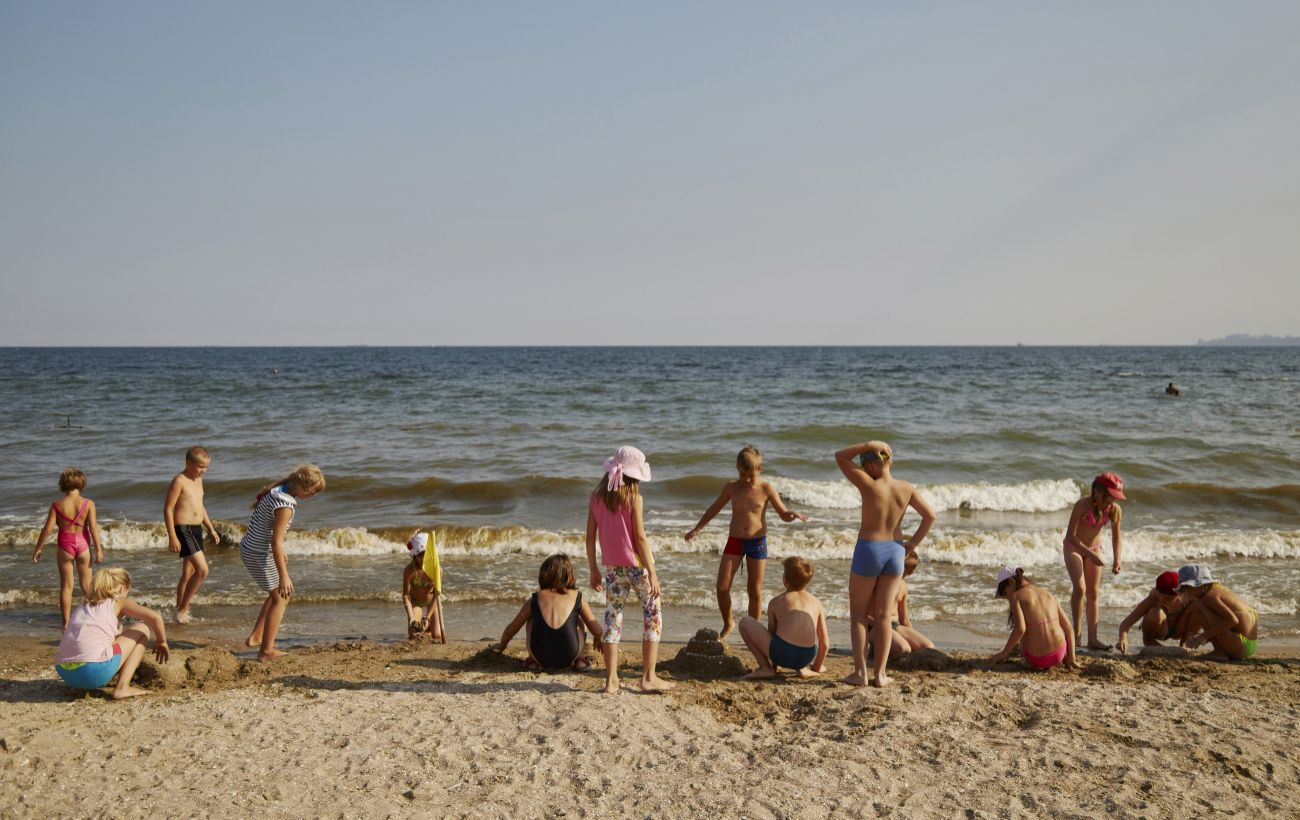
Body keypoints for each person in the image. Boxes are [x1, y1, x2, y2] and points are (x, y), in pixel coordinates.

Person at [834, 441, 936, 688]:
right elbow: (930, 516)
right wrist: (912, 543)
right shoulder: (906, 488)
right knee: (882, 616)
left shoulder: (868, 484)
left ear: (869, 464)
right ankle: (880, 674)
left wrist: (867, 444)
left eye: (865, 465)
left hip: (869, 548)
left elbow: (840, 456)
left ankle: (860, 673)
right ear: (890, 461)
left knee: (858, 615)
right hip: (895, 551)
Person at [684, 446, 808, 641]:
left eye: (751, 475)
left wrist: (791, 515)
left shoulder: (766, 489)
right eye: (743, 474)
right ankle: (728, 623)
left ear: (760, 469)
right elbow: (714, 508)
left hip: (757, 542)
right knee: (722, 586)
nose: (747, 479)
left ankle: (753, 630)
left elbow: (783, 514)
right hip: (735, 541)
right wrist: (697, 529)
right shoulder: (732, 488)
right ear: (737, 468)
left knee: (754, 589)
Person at [585, 446, 675, 694]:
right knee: (652, 616)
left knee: (612, 620)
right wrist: (653, 572)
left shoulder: (596, 498)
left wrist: (593, 569)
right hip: (637, 568)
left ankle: (611, 680)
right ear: (635, 477)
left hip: (613, 569)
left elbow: (590, 537)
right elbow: (641, 539)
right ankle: (648, 677)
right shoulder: (635, 499)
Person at [239, 464, 325, 660]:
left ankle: (257, 637)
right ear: (302, 488)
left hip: (252, 546)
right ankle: (266, 651)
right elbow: (276, 542)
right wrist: (284, 575)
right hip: (257, 552)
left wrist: (280, 552)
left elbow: (267, 530)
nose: (313, 496)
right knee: (282, 596)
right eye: (313, 492)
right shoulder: (285, 505)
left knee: (275, 594)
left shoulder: (278, 490)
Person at [53, 567, 169, 699]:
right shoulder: (119, 601)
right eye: (128, 592)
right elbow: (155, 617)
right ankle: (122, 687)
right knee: (142, 628)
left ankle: (79, 686)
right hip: (92, 672)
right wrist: (162, 641)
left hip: (66, 672)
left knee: (105, 642)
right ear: (122, 589)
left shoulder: (84, 604)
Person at [491, 554, 604, 671]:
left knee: (531, 619)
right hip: (569, 655)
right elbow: (598, 630)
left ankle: (533, 661)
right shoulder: (577, 596)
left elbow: (511, 629)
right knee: (580, 621)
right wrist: (597, 638)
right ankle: (580, 659)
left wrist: (502, 645)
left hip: (540, 657)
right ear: (569, 575)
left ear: (544, 574)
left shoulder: (535, 598)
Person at [31, 468, 105, 628]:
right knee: (87, 586)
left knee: (66, 586)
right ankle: (98, 618)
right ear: (82, 483)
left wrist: (38, 548)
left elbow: (48, 529)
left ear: (63, 484)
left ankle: (66, 623)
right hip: (83, 545)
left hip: (65, 546)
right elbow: (93, 528)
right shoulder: (88, 503)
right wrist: (98, 549)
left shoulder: (57, 505)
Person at [1062, 472, 1126, 651]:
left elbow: (1116, 539)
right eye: (1110, 497)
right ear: (1097, 492)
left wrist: (1117, 560)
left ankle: (1093, 639)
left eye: (1115, 498)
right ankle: (1076, 635)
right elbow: (1070, 536)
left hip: (1094, 550)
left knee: (1093, 593)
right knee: (1080, 588)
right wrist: (1089, 555)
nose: (1112, 501)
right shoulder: (1082, 505)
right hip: (1074, 547)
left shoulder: (1114, 510)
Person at [737, 556, 829, 680]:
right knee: (798, 641)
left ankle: (765, 668)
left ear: (785, 580)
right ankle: (802, 669)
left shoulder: (776, 602)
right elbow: (824, 643)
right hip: (806, 657)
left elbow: (772, 635)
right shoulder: (817, 602)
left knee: (744, 622)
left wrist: (774, 665)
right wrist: (816, 668)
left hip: (782, 653)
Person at [164, 446, 221, 624]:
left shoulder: (198, 480)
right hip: (183, 529)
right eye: (200, 467)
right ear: (188, 463)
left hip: (197, 529)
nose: (203, 471)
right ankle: (183, 610)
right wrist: (172, 536)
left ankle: (178, 609)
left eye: (206, 467)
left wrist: (210, 528)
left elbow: (200, 506)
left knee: (188, 573)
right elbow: (168, 509)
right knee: (202, 570)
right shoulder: (179, 480)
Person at [989, 567, 1077, 671]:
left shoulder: (1016, 597)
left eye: (1005, 593)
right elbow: (1068, 627)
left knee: (1022, 634)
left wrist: (1003, 653)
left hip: (1037, 659)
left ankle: (1020, 653)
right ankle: (1068, 657)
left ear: (1011, 581)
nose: (1007, 597)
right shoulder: (1047, 593)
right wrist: (1072, 657)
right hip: (1059, 654)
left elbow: (1020, 629)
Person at [1177, 564, 1260, 660]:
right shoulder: (1216, 590)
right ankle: (1219, 651)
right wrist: (1205, 637)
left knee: (1199, 607)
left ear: (1200, 585)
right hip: (1248, 645)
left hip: (1241, 646)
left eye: (1186, 588)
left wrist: (1202, 637)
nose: (1185, 592)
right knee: (1200, 608)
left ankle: (1219, 653)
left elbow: (1233, 620)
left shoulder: (1209, 597)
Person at [868, 552, 934, 659]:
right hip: (875, 626)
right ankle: (876, 648)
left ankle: (889, 645)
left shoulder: (903, 587)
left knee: (929, 647)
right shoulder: (879, 582)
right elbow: (864, 614)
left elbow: (904, 620)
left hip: (894, 626)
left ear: (909, 573)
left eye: (903, 570)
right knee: (904, 649)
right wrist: (883, 623)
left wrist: (912, 638)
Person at [1115, 570, 1186, 654]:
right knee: (1154, 613)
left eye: (1167, 598)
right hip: (1161, 630)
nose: (1162, 599)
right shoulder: (1153, 599)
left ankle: (1185, 645)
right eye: (1160, 594)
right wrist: (1123, 639)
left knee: (1195, 609)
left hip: (1178, 631)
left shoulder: (1187, 597)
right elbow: (1125, 624)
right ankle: (1149, 642)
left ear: (1178, 594)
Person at [402, 532, 444, 641]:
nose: (423, 558)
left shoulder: (437, 570)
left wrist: (428, 617)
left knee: (437, 636)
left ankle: (428, 626)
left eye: (426, 554)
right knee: (414, 635)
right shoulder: (409, 570)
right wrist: (411, 618)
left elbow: (436, 595)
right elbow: (405, 596)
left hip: (432, 603)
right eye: (420, 555)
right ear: (415, 556)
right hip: (416, 603)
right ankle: (420, 622)